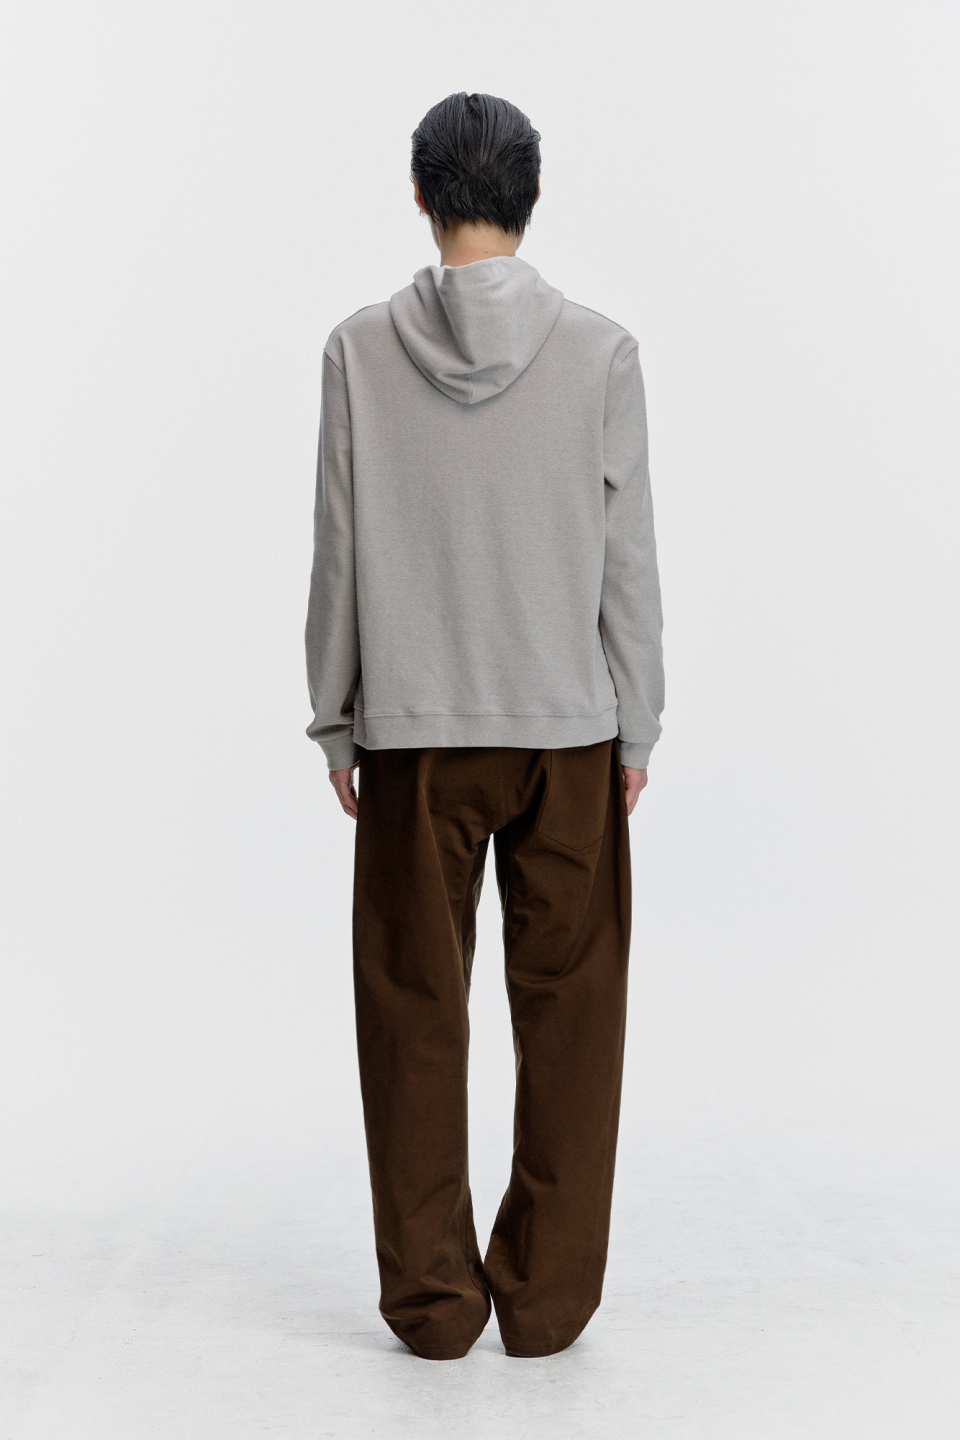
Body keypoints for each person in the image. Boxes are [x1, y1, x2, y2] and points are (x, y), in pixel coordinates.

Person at [305, 91, 664, 1361]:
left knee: (412, 1013)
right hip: (568, 734)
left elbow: (339, 547)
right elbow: (628, 558)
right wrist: (637, 724)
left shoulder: (358, 351)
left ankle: (433, 1307)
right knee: (573, 1016)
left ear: (420, 194)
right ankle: (550, 1305)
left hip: (414, 733)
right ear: (530, 195)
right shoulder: (602, 352)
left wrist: (337, 718)